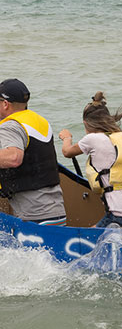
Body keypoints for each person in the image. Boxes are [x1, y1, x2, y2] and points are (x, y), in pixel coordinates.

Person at [59, 92, 122, 228]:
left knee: (88, 241)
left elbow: (67, 152)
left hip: (120, 214)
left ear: (86, 123)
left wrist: (66, 138)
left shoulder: (93, 139)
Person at [0, 79, 65, 224]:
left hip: (34, 216)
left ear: (5, 104)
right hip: (57, 211)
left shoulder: (10, 126)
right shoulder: (40, 121)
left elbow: (13, 158)